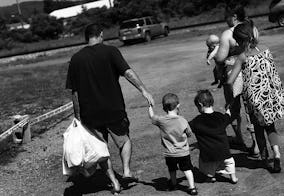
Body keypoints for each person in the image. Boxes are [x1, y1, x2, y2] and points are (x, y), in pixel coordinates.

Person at [66, 23, 155, 192]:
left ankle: (114, 182)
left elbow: (75, 92)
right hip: (114, 109)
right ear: (100, 34)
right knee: (124, 140)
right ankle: (127, 171)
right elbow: (127, 72)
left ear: (86, 37)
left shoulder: (76, 59)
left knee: (101, 148)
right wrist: (143, 90)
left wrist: (77, 117)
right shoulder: (111, 51)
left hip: (90, 114)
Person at [227, 20, 284, 173]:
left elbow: (230, 81)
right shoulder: (265, 49)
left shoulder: (242, 57)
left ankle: (265, 158)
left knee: (258, 130)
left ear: (238, 40)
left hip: (254, 99)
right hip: (269, 96)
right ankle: (276, 154)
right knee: (271, 127)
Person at [214, 6, 259, 155]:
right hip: (251, 69)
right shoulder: (252, 28)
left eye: (226, 17)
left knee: (233, 107)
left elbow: (220, 58)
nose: (225, 20)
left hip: (233, 73)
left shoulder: (227, 34)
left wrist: (215, 53)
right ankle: (256, 144)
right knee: (251, 108)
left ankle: (239, 138)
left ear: (233, 17)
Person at [148, 93, 198, 195]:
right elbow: (189, 134)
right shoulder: (182, 120)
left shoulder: (161, 120)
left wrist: (150, 106)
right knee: (187, 169)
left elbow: (152, 116)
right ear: (178, 105)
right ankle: (192, 187)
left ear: (163, 107)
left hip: (170, 153)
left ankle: (174, 184)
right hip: (183, 152)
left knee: (172, 169)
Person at [189, 90, 238, 184]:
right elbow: (228, 117)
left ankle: (210, 176)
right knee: (230, 163)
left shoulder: (197, 121)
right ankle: (233, 177)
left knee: (205, 165)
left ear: (200, 104)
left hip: (208, 155)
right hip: (224, 152)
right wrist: (228, 110)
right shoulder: (220, 117)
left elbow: (186, 127)